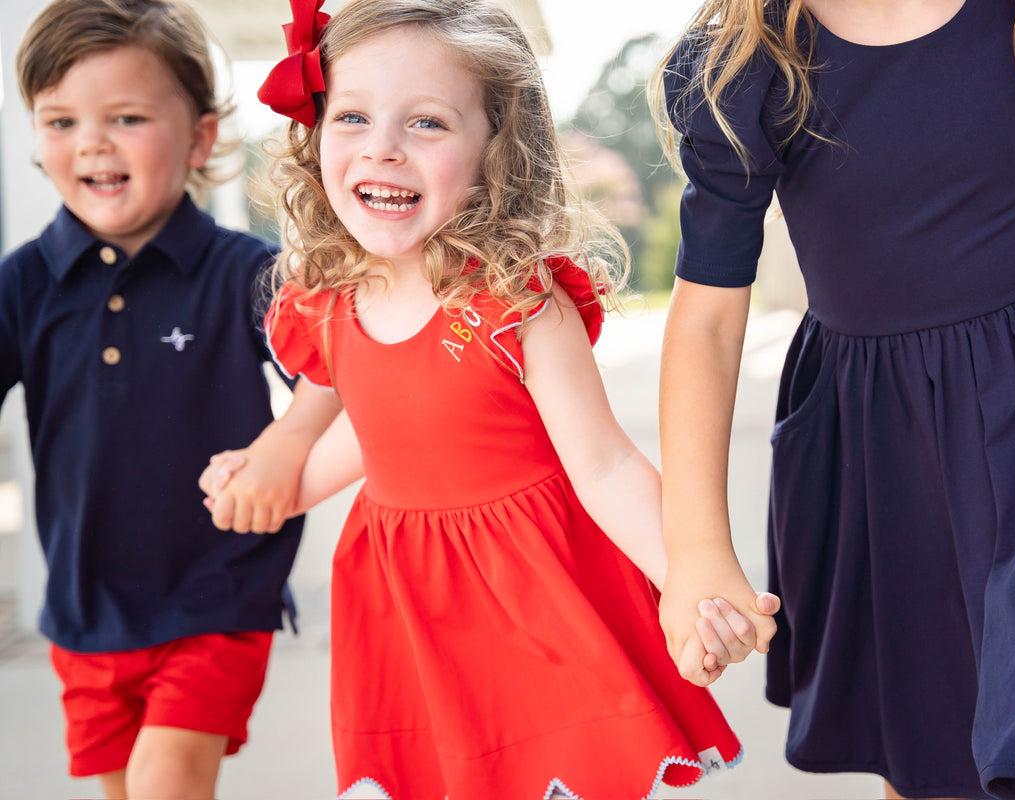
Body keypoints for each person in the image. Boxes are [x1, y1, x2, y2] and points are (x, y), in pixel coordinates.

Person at [198, 1, 750, 797]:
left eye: (426, 123)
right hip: (406, 602)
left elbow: (604, 467)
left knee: (552, 769)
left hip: (536, 591)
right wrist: (272, 476)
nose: (382, 148)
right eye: (352, 115)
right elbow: (371, 428)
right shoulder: (329, 294)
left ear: (498, 150)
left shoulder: (518, 302)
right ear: (317, 135)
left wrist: (689, 579)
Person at [652, 0, 1015, 798]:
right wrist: (696, 548)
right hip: (895, 459)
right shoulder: (743, 65)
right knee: (940, 773)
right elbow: (706, 321)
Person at [0, 1, 305, 797]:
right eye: (59, 120)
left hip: (217, 587)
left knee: (167, 780)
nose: (91, 142)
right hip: (85, 603)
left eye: (126, 116)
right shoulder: (25, 282)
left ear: (203, 137)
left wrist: (283, 450)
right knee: (123, 786)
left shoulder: (247, 272)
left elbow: (340, 376)